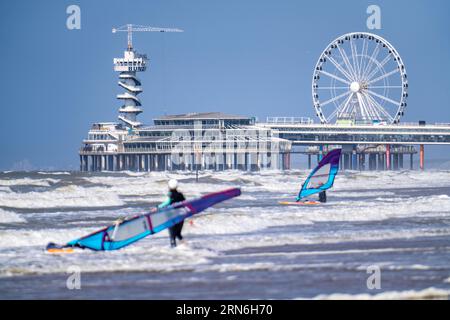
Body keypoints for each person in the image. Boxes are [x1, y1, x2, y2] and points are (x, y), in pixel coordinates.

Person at [158, 179, 186, 247]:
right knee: (178, 234)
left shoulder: (170, 194)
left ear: (169, 186)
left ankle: (173, 250)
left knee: (172, 236)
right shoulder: (181, 195)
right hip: (180, 217)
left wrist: (157, 207)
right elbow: (185, 204)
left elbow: (167, 202)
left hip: (171, 216)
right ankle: (186, 246)